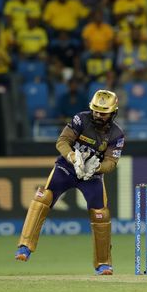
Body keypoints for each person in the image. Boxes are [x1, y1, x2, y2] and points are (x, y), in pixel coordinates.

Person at [15, 90, 125, 276]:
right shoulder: (81, 119)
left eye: (103, 112)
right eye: (96, 111)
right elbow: (62, 141)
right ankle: (24, 247)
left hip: (91, 176)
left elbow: (111, 163)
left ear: (113, 112)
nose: (98, 115)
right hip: (67, 168)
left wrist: (95, 168)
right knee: (43, 197)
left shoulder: (117, 134)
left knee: (100, 215)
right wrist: (73, 157)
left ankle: (103, 264)